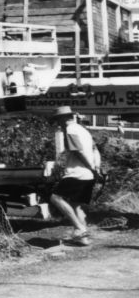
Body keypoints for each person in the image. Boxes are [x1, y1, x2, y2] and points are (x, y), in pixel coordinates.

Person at [48, 105, 102, 246]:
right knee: (76, 206)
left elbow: (77, 151)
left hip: (77, 173)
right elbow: (95, 150)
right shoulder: (84, 130)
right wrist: (97, 168)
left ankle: (79, 228)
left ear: (63, 118)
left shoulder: (70, 130)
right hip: (88, 175)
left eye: (58, 120)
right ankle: (82, 239)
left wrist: (90, 167)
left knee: (55, 198)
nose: (58, 123)